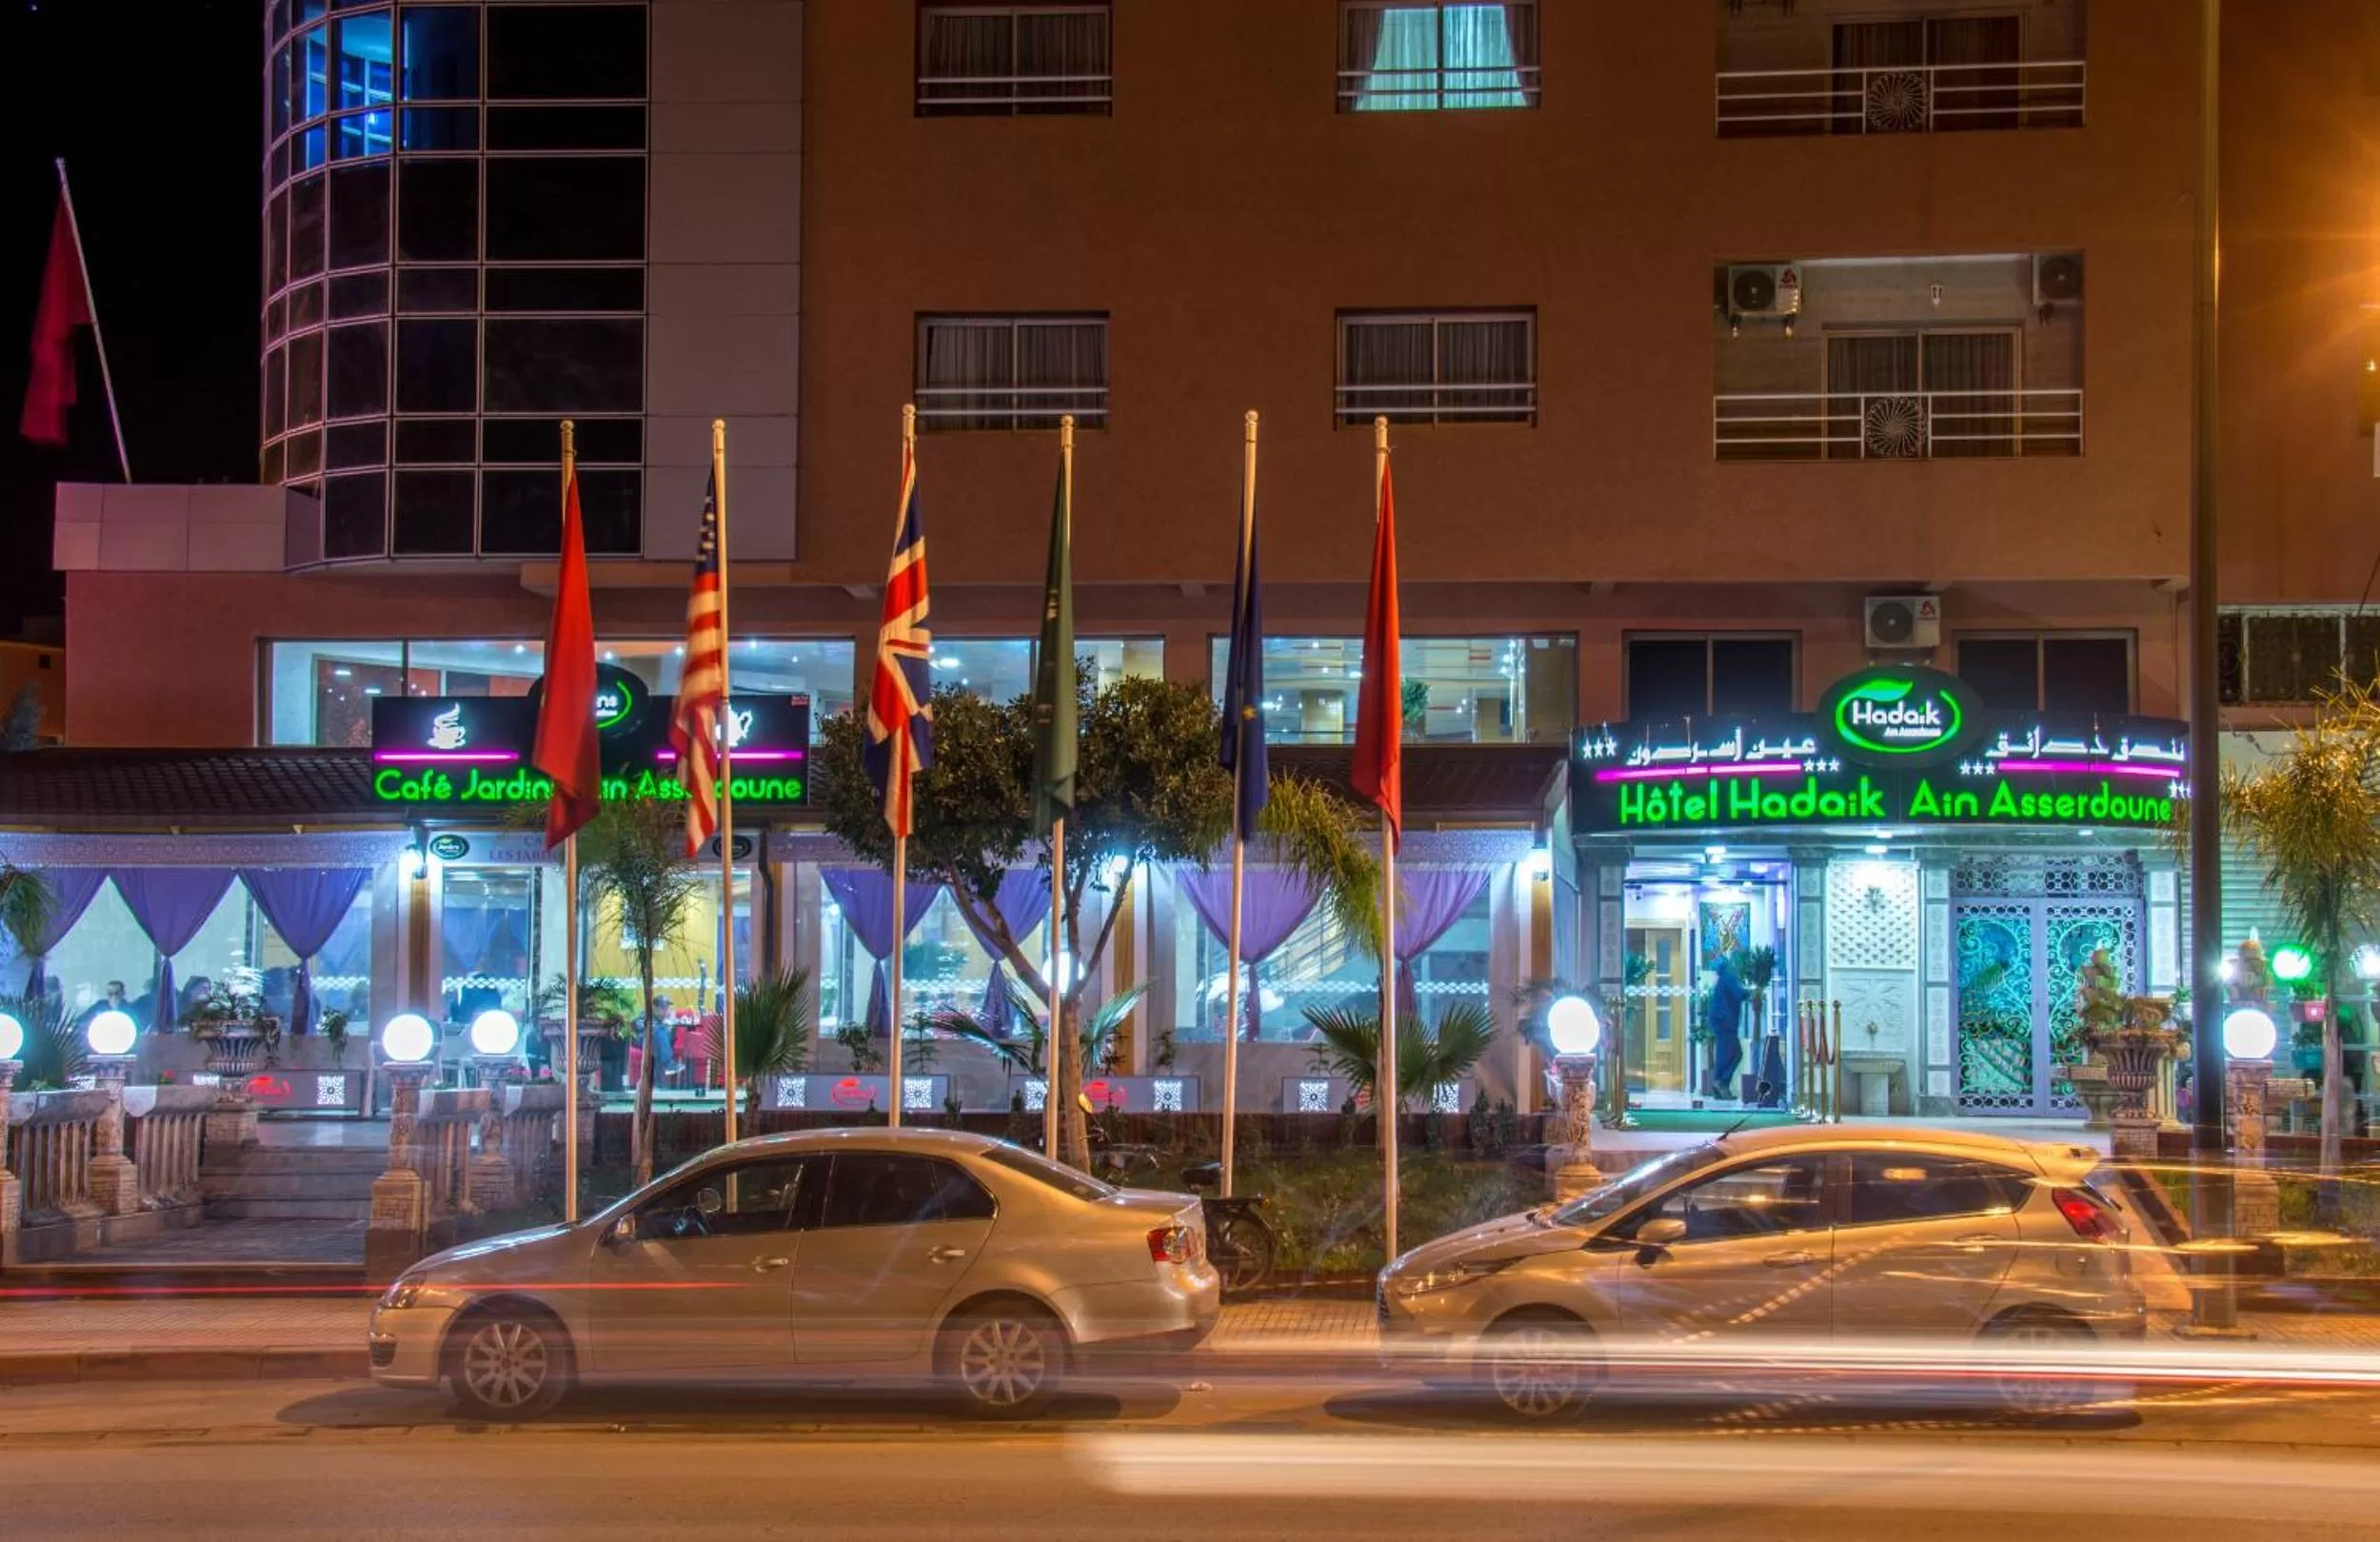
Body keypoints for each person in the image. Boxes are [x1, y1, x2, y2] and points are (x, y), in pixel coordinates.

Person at [1705, 954, 1747, 1101]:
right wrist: (1753, 993)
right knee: (1735, 1054)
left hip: (1721, 1022)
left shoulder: (1723, 978)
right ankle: (1722, 1082)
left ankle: (1719, 1085)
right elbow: (1739, 993)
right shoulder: (1729, 977)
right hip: (1726, 1023)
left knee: (1725, 1054)